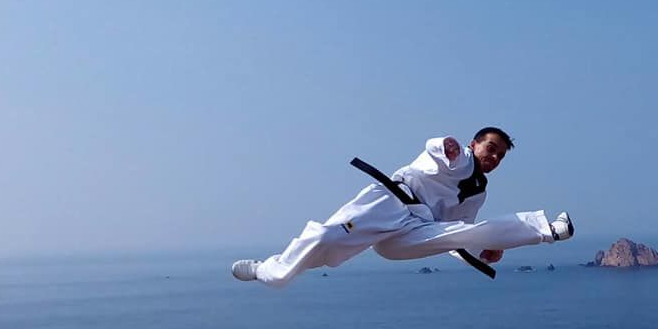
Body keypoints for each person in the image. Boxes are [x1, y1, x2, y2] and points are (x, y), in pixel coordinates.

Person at [231, 127, 573, 287]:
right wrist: (447, 146)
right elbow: (436, 148)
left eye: (500, 155)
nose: (494, 157)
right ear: (474, 144)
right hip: (390, 203)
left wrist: (484, 249)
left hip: (413, 231)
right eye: (491, 148)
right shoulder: (460, 159)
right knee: (325, 239)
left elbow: (454, 233)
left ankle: (548, 232)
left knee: (470, 232)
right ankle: (271, 272)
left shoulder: (478, 191)